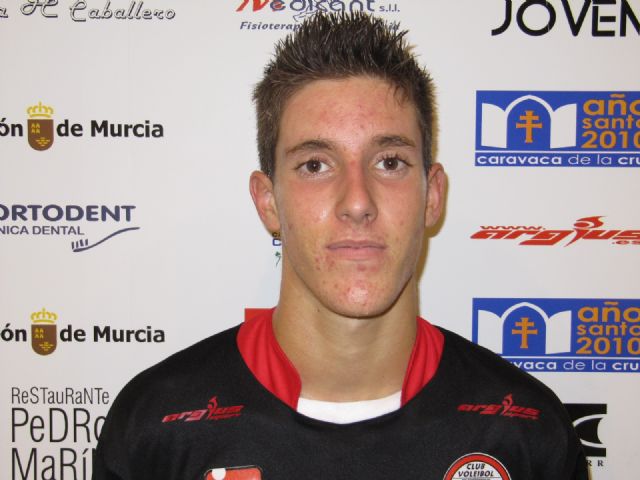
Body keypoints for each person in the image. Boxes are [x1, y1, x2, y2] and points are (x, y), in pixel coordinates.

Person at [93, 12, 588, 480]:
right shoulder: (155, 427)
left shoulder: (527, 431)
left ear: (432, 196)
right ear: (268, 202)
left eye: (390, 162)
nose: (357, 202)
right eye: (315, 165)